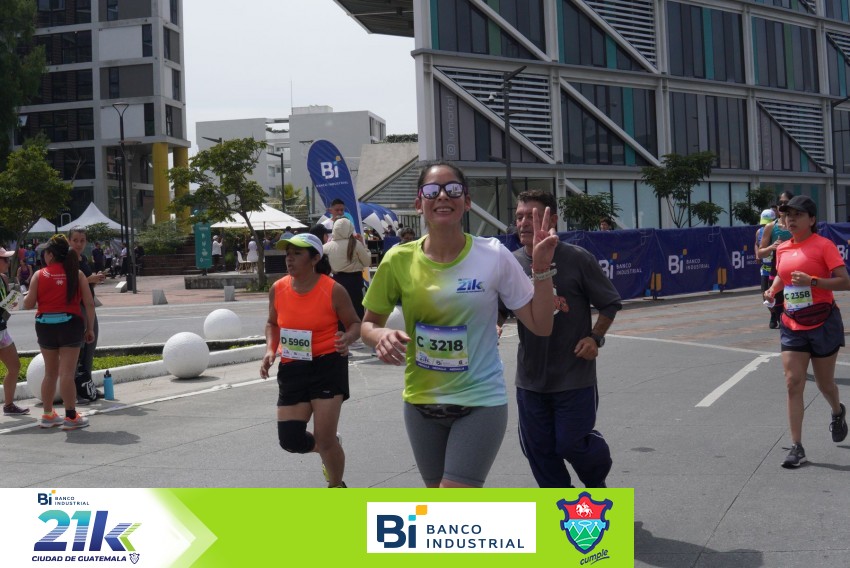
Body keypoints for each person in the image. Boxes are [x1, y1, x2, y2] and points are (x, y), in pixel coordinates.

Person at [360, 160, 558, 488]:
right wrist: (381, 334)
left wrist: (541, 269)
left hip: (480, 401)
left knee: (451, 499)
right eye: (432, 190)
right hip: (421, 403)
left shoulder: (493, 255)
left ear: (466, 202)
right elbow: (367, 326)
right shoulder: (398, 259)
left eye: (453, 190)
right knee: (442, 511)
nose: (442, 196)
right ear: (419, 202)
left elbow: (541, 325)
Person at [503, 190, 621, 488]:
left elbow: (609, 303)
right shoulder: (511, 264)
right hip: (531, 379)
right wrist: (494, 325)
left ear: (552, 219)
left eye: (532, 216)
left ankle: (596, 486)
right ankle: (559, 505)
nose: (524, 223)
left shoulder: (577, 258)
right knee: (539, 452)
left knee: (571, 443)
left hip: (574, 376)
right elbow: (499, 309)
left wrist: (595, 338)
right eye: (519, 217)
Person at [259, 233, 361, 488]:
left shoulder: (333, 289)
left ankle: (336, 487)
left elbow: (355, 324)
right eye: (287, 254)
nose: (289, 259)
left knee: (324, 438)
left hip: (327, 365)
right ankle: (328, 446)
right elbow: (272, 323)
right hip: (293, 366)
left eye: (297, 254)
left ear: (315, 259)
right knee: (290, 440)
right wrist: (270, 350)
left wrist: (347, 338)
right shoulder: (278, 288)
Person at [764, 195, 850, 468]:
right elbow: (783, 275)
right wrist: (773, 289)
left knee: (825, 384)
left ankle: (837, 410)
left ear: (812, 220)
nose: (791, 219)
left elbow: (845, 282)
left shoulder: (824, 245)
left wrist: (813, 281)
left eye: (798, 214)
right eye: (788, 215)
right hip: (792, 323)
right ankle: (797, 446)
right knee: (793, 382)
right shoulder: (782, 248)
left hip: (823, 322)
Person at [23, 234, 96, 431]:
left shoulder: (39, 275)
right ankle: (71, 417)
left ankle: (48, 415)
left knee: (50, 373)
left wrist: (26, 295)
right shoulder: (77, 274)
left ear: (50, 255)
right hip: (70, 325)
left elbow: (28, 304)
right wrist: (89, 328)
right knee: (67, 374)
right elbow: (89, 304)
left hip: (45, 326)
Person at [68, 227, 106, 404]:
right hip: (77, 307)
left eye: (82, 240)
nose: (79, 244)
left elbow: (87, 284)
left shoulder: (83, 259)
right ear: (69, 241)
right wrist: (90, 279)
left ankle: (87, 385)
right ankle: (76, 390)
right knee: (78, 350)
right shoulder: (67, 260)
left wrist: (95, 280)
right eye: (75, 240)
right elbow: (71, 283)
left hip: (89, 306)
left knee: (90, 348)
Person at [324, 217, 371, 324]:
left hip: (336, 281)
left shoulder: (326, 247)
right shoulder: (356, 244)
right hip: (355, 281)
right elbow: (367, 262)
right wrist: (364, 246)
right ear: (350, 228)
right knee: (356, 310)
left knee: (339, 310)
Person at [758, 191, 794, 328]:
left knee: (797, 304)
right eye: (780, 203)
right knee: (777, 303)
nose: (783, 205)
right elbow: (760, 253)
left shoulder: (799, 225)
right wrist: (772, 247)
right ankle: (776, 317)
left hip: (797, 269)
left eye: (786, 202)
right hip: (777, 269)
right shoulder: (770, 227)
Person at [0, 247, 28, 416]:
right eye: (5, 259)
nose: (8, 263)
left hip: (2, 331)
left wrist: (12, 300)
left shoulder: (3, 278)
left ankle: (9, 405)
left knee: (14, 366)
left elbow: (5, 307)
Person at [756, 209, 777, 328]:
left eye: (767, 223)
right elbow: (756, 244)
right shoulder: (759, 232)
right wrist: (757, 254)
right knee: (765, 295)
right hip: (765, 269)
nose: (765, 226)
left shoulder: (778, 231)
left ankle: (781, 315)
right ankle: (773, 315)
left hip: (777, 268)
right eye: (763, 223)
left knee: (778, 294)